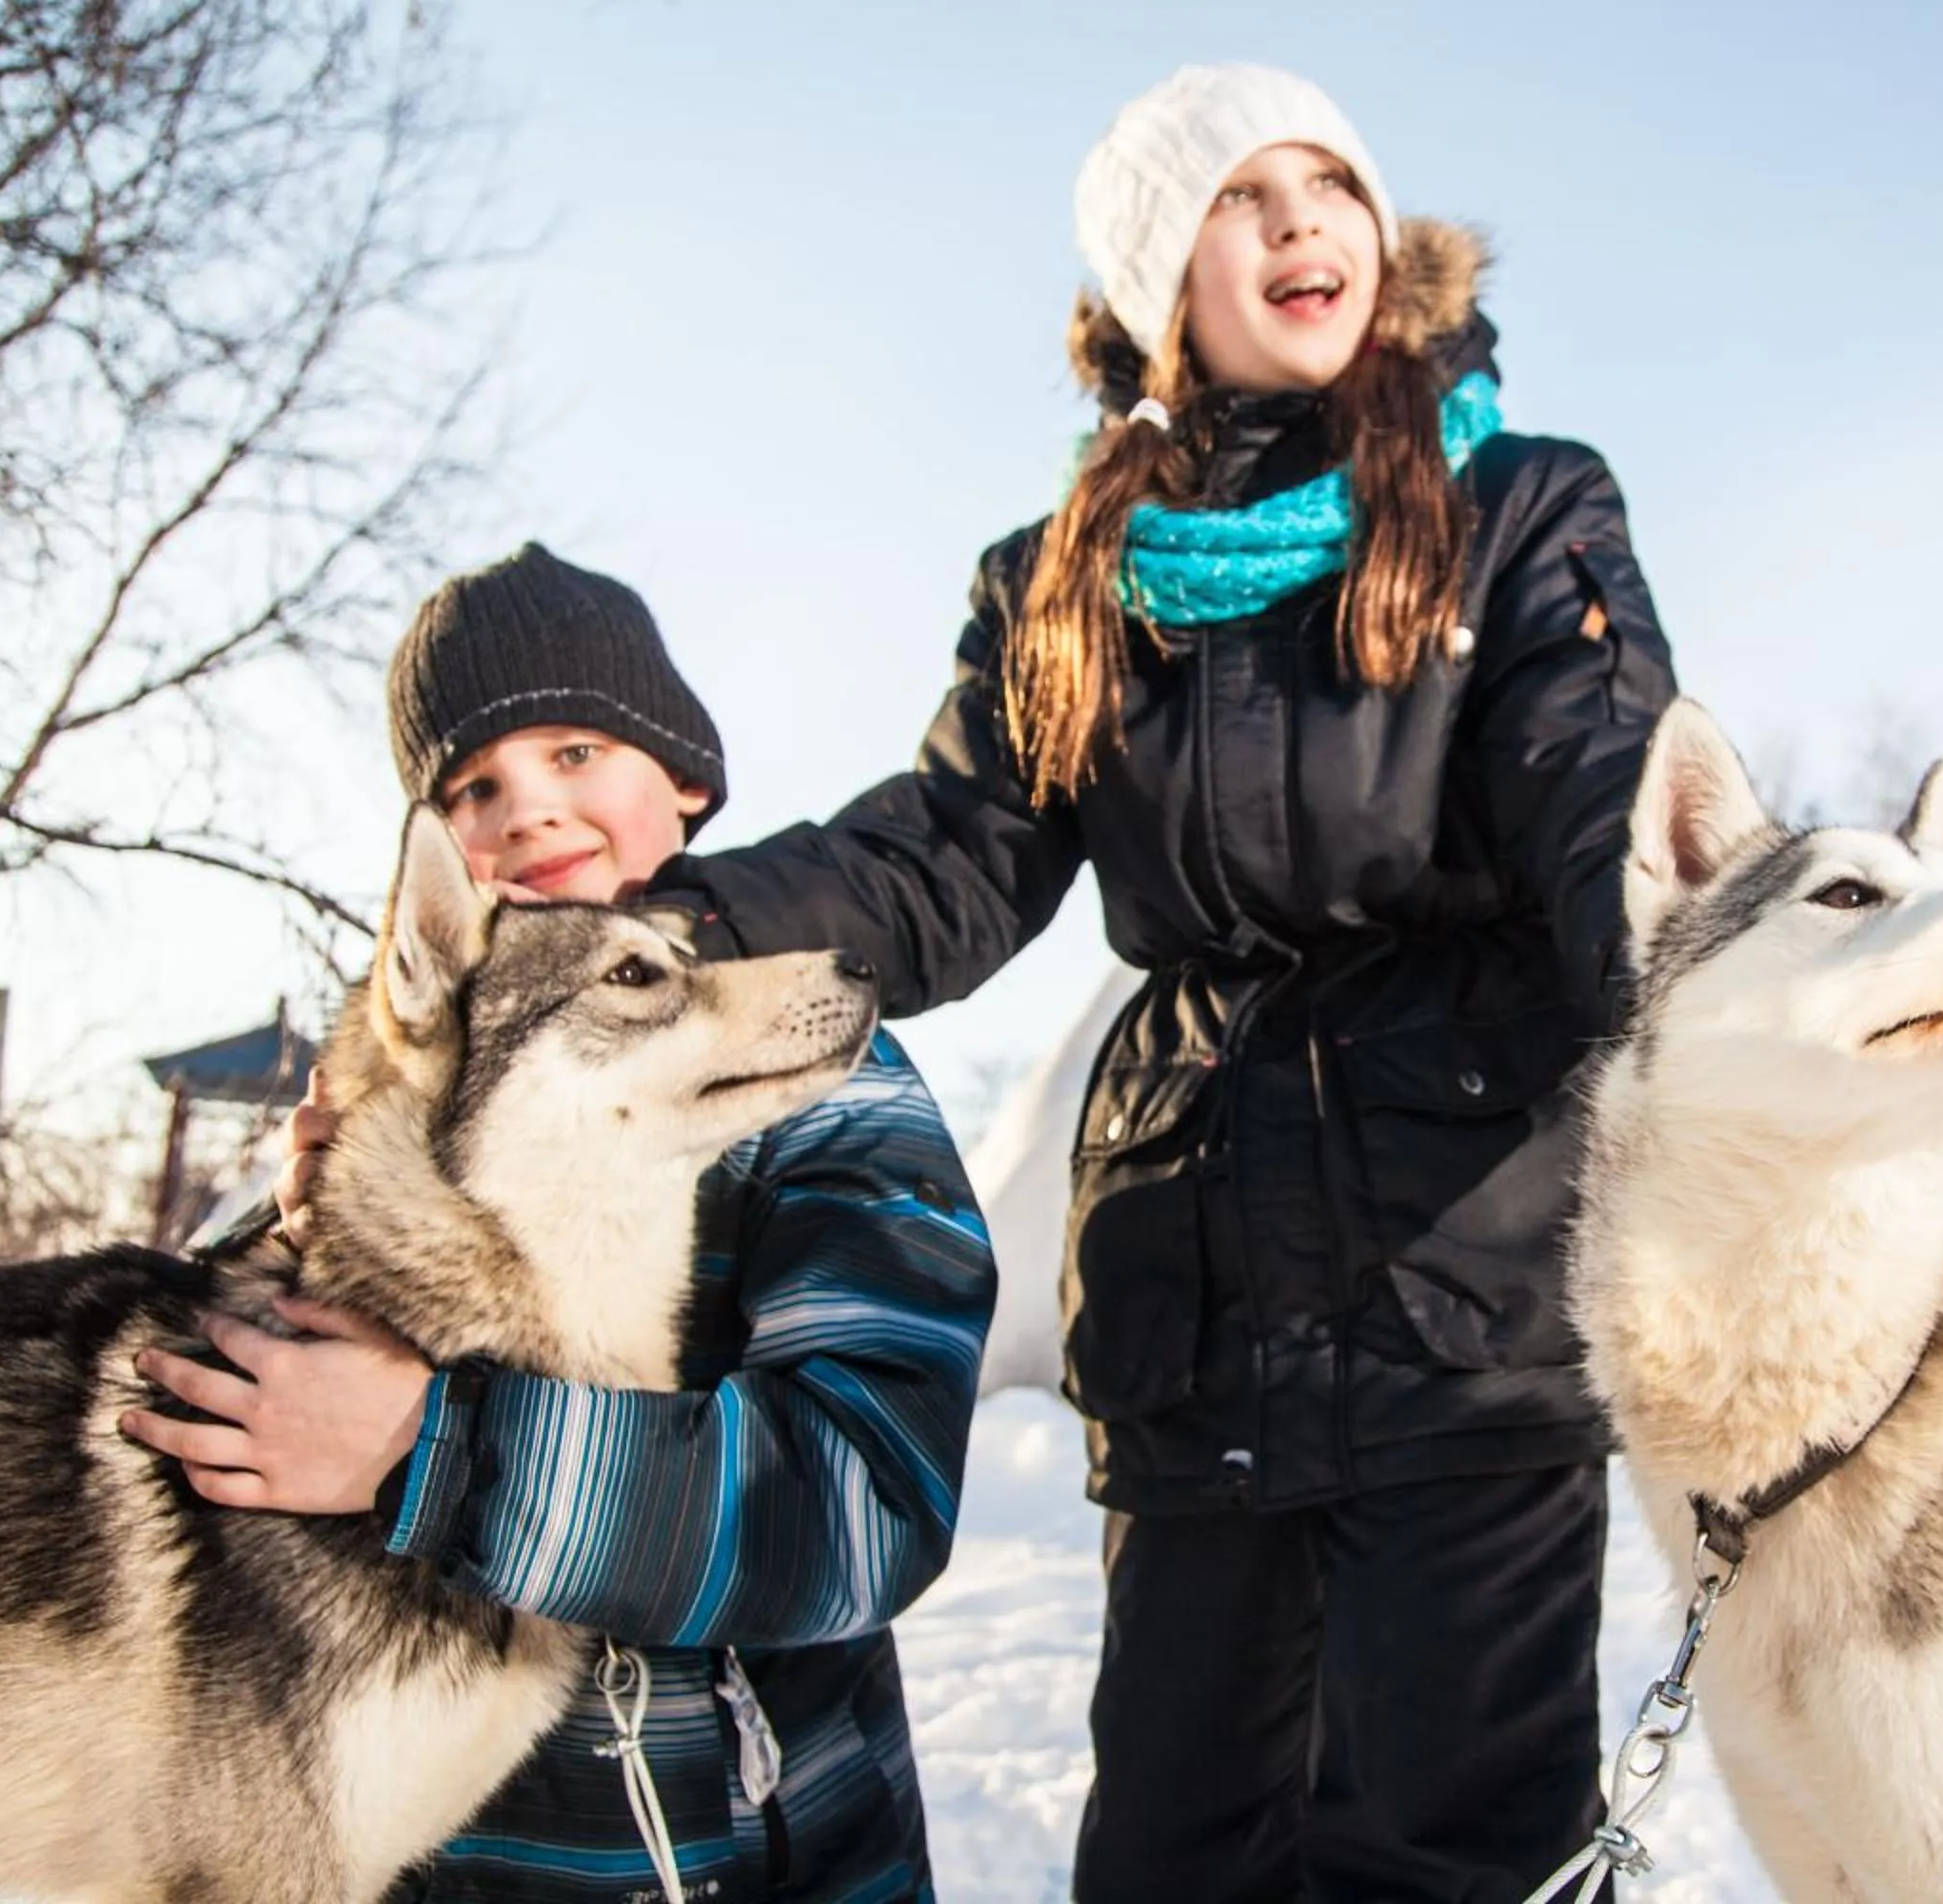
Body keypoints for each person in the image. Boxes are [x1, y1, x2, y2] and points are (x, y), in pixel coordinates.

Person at [646, 65, 1678, 1904]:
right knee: (1175, 1856)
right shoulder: (1066, 581)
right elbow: (942, 862)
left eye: (1329, 184)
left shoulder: (1519, 508)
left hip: (1467, 1279)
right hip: (1188, 1301)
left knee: (1447, 1854)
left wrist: (1735, 1006)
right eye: (1237, 196)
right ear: (1152, 282)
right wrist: (672, 937)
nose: (1300, 223)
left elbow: (1606, 818)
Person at [120, 544, 998, 1904]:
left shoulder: (814, 1086)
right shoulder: (401, 1110)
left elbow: (867, 1501)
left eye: (578, 750)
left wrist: (434, 1447)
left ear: (686, 783)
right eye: (474, 787)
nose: (529, 808)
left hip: (758, 1862)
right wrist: (335, 1240)